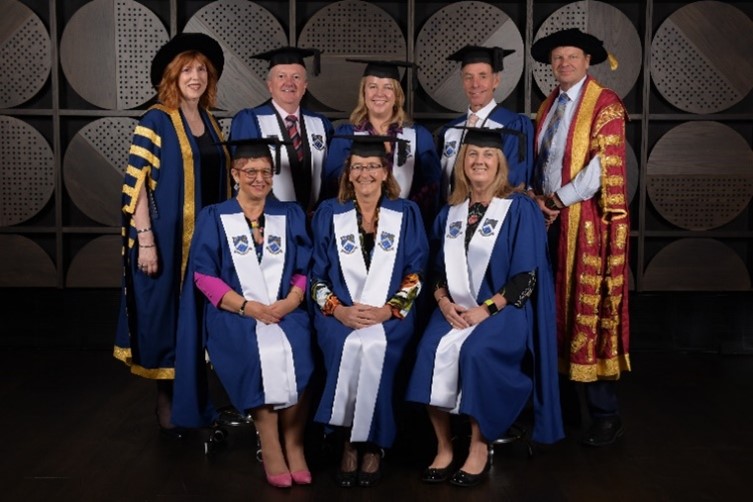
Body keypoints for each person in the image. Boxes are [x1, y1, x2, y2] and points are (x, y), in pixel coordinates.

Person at [406, 127, 563, 487]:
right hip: (455, 311)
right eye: (472, 155)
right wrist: (443, 302)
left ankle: (478, 444)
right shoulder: (450, 213)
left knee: (477, 352)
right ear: (463, 163)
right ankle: (444, 446)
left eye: (488, 156)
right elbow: (437, 272)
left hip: (503, 312)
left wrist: (484, 310)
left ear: (500, 164)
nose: (479, 161)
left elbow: (526, 277)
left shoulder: (518, 208)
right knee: (429, 349)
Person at [171, 138, 314, 488]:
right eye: (250, 171)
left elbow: (306, 266)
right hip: (234, 313)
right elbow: (203, 275)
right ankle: (270, 444)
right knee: (255, 353)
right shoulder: (216, 217)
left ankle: (294, 443)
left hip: (284, 309)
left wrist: (292, 301)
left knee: (299, 348)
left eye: (266, 172)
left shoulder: (289, 214)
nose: (259, 179)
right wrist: (247, 307)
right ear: (235, 173)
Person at [114, 32, 230, 437]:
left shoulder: (212, 121)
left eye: (201, 69)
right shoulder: (156, 119)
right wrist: (144, 240)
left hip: (204, 243)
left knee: (198, 318)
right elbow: (137, 184)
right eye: (186, 70)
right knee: (167, 321)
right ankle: (169, 407)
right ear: (172, 76)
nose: (194, 76)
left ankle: (195, 403)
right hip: (163, 241)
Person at [530, 28, 630, 447]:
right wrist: (538, 201)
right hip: (548, 219)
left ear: (588, 60)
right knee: (554, 308)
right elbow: (543, 159)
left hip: (585, 222)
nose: (564, 64)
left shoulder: (605, 104)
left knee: (587, 310)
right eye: (558, 59)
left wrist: (556, 200)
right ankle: (565, 407)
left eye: (572, 57)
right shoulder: (548, 105)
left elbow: (599, 170)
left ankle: (604, 412)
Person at [310, 135, 429, 488]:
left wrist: (389, 311)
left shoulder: (406, 212)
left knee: (378, 348)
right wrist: (337, 310)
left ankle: (373, 444)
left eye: (372, 166)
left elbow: (417, 272)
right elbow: (316, 274)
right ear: (348, 173)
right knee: (345, 346)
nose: (365, 173)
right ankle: (349, 440)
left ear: (384, 172)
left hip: (389, 316)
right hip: (340, 315)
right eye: (357, 167)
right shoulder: (330, 213)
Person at [322, 59, 441, 226]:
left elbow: (432, 187)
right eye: (372, 86)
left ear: (397, 95)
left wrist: (406, 215)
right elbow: (333, 185)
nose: (380, 93)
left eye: (388, 87)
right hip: (354, 227)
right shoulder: (347, 135)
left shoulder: (418, 136)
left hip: (405, 226)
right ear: (364, 93)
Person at [230, 46, 334, 214]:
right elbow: (243, 179)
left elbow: (331, 177)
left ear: (305, 85)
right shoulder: (251, 120)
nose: (289, 83)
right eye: (281, 76)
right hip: (270, 220)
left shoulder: (321, 124)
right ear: (270, 85)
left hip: (316, 222)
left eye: (296, 77)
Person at [437, 45, 534, 198]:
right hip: (449, 215)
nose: (475, 84)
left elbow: (513, 182)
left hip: (491, 215)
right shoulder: (450, 130)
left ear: (495, 81)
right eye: (468, 77)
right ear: (462, 81)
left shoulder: (512, 126)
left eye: (483, 76)